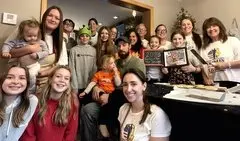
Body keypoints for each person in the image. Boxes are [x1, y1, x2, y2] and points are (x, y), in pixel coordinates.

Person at [80, 36, 146, 141]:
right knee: (87, 109)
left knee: (111, 112)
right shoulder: (115, 62)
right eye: (119, 46)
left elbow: (135, 88)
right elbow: (101, 77)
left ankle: (108, 133)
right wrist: (96, 87)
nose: (121, 48)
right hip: (106, 94)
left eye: (124, 45)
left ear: (129, 46)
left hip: (123, 100)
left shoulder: (137, 62)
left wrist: (110, 97)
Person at [9, 6, 68, 92]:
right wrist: (30, 48)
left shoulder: (60, 40)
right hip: (20, 80)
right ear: (44, 16)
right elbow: (7, 52)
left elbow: (61, 64)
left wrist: (40, 74)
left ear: (60, 22)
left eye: (57, 18)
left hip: (45, 84)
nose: (53, 19)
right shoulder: (28, 29)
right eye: (50, 15)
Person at [20, 66, 78, 141]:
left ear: (69, 84)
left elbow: (70, 134)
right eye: (58, 76)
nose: (62, 80)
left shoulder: (72, 103)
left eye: (66, 78)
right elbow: (28, 134)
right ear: (50, 79)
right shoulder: (34, 101)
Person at [119, 68, 171, 141]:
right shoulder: (123, 109)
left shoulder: (157, 115)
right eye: (125, 84)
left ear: (144, 86)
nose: (128, 89)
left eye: (133, 84)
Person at [79, 55, 121, 139]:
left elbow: (118, 83)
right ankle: (102, 126)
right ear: (104, 66)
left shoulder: (114, 73)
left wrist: (116, 73)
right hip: (101, 93)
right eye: (111, 63)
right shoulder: (98, 74)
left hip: (111, 96)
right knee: (96, 98)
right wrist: (85, 92)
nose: (113, 65)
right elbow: (92, 84)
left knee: (107, 105)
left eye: (114, 63)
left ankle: (103, 124)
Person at [2, 19, 48, 93]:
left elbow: (46, 52)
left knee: (32, 76)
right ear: (22, 34)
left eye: (35, 36)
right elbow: (7, 44)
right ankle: (18, 92)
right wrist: (5, 51)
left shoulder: (41, 42)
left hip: (33, 65)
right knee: (16, 77)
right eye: (29, 36)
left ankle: (30, 92)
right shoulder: (18, 41)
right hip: (19, 65)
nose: (32, 38)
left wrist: (37, 55)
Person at [0, 66, 38, 141]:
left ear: (27, 83)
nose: (16, 82)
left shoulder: (31, 102)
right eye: (10, 77)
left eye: (22, 78)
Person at [200, 17, 240, 88]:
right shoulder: (204, 48)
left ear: (220, 27)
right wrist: (206, 79)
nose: (211, 29)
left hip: (233, 82)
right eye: (208, 27)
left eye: (214, 26)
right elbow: (203, 66)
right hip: (214, 84)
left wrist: (224, 65)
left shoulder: (233, 41)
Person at [69, 25, 97, 97]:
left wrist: (93, 83)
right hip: (77, 85)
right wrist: (74, 86)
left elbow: (94, 68)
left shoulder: (93, 50)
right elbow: (71, 68)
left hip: (89, 85)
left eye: (87, 36)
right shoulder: (73, 50)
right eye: (82, 36)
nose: (85, 38)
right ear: (79, 37)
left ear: (89, 37)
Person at [180, 17, 203, 84]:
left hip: (198, 71)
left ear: (192, 26)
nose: (186, 26)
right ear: (181, 27)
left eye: (188, 24)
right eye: (183, 24)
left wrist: (196, 69)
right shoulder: (179, 38)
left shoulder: (199, 38)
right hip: (183, 71)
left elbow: (201, 56)